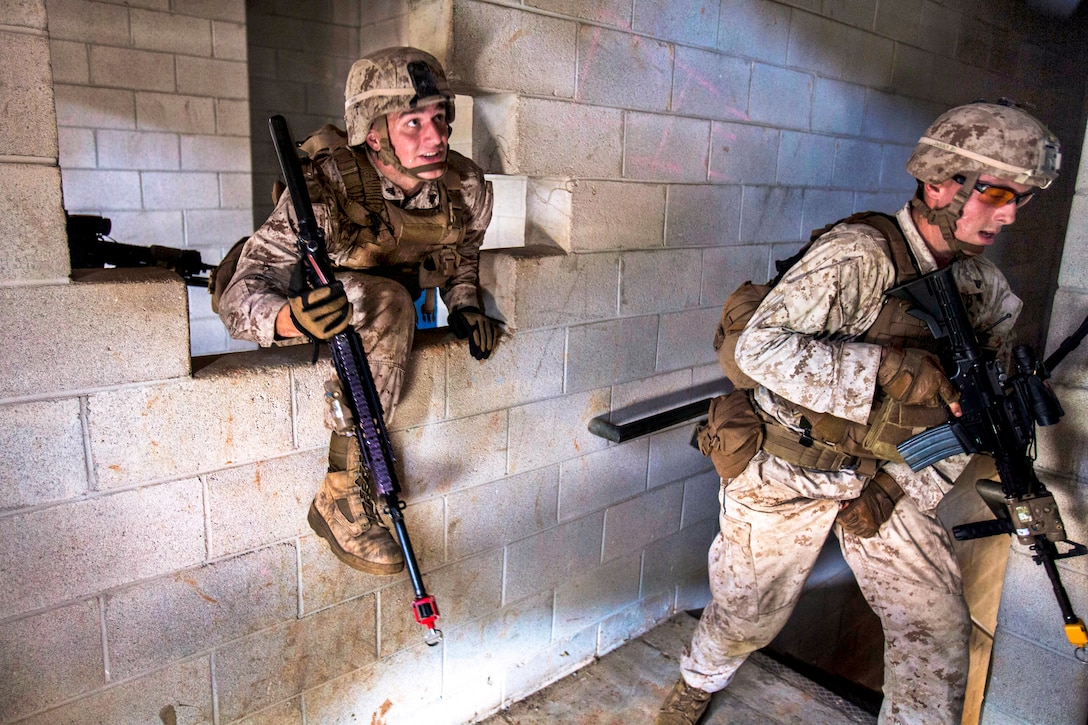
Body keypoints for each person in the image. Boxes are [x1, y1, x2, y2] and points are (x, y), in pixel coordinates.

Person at [657, 100, 1061, 724]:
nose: (1008, 215)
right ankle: (698, 680)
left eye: (1022, 199)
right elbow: (760, 348)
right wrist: (888, 369)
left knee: (937, 633)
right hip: (788, 464)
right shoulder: (859, 257)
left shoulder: (987, 293)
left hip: (890, 479)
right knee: (747, 614)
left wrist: (905, 485)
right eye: (997, 192)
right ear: (938, 183)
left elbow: (970, 417)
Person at [217, 47, 499, 575]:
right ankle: (338, 494)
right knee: (390, 302)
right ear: (373, 134)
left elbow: (465, 251)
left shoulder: (466, 187)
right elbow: (241, 292)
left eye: (440, 117)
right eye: (413, 122)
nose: (435, 135)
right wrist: (290, 319)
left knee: (394, 301)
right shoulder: (328, 188)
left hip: (388, 301)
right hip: (317, 298)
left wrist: (464, 303)